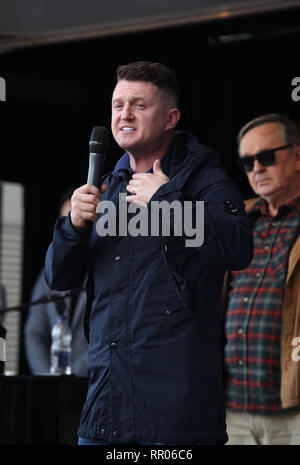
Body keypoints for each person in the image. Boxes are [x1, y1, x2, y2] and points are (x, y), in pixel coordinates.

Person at [45, 61, 253, 445]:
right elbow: (59, 278)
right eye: (118, 104)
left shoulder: (202, 175)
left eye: (139, 105)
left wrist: (166, 200)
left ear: (171, 117)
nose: (124, 114)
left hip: (176, 419)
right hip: (105, 410)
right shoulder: (106, 186)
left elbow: (238, 247)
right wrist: (72, 225)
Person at [224, 113, 300, 445]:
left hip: (293, 410)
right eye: (247, 161)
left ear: (297, 156)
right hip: (231, 408)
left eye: (266, 157)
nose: (256, 168)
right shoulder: (236, 220)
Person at [25, 189, 88, 377]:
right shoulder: (48, 274)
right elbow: (34, 332)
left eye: (80, 220)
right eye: (68, 221)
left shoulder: (108, 270)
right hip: (52, 385)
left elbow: (109, 336)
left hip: (91, 382)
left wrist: (72, 377)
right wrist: (47, 377)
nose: (75, 227)